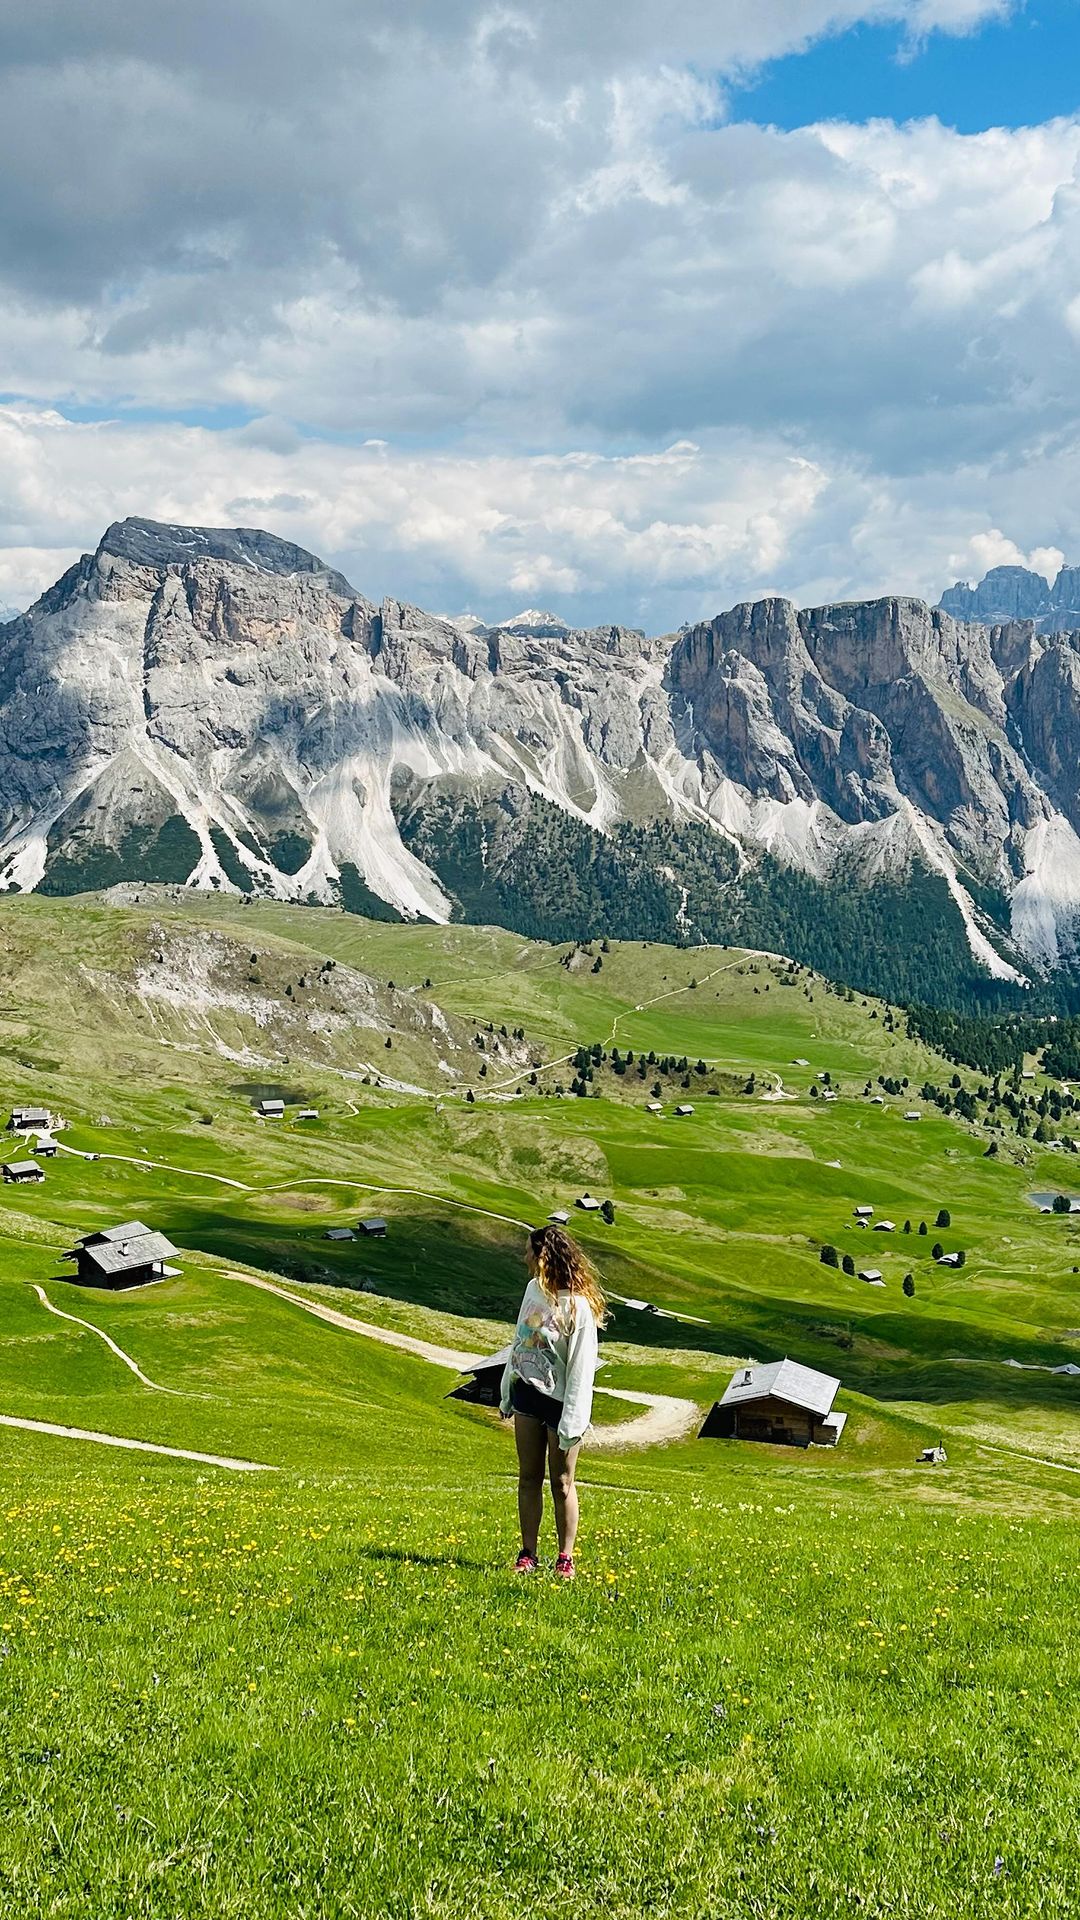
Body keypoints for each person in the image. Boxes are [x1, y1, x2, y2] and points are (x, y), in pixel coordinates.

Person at [500, 1222, 608, 1579]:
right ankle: (528, 1553)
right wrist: (506, 1391)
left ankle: (565, 1557)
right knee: (528, 1478)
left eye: (529, 1250)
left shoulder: (577, 1306)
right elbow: (519, 1341)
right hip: (527, 1395)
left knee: (562, 1483)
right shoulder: (533, 1290)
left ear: (543, 1256)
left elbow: (581, 1370)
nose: (523, 1256)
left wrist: (573, 1423)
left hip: (560, 1405)